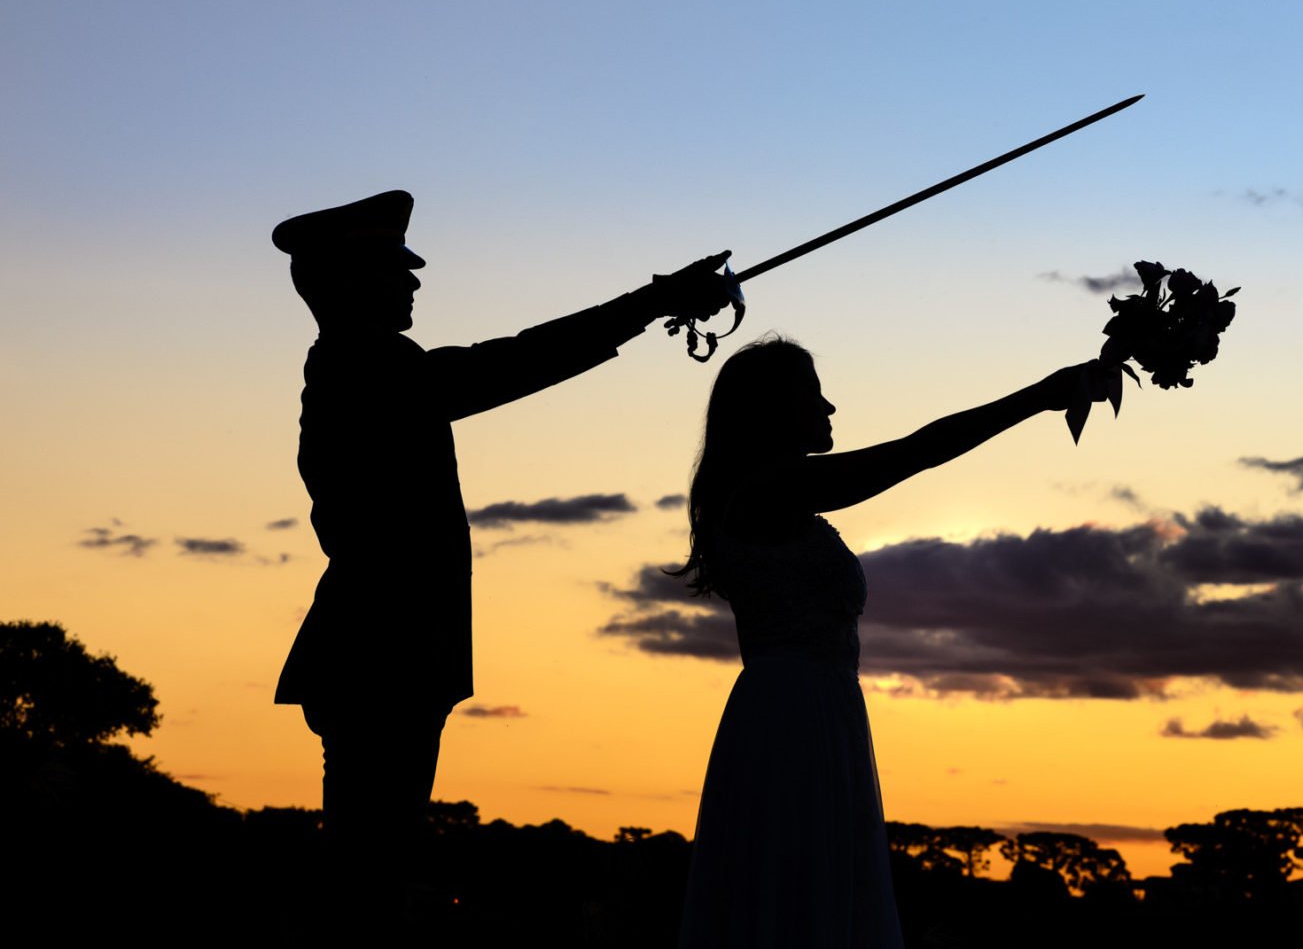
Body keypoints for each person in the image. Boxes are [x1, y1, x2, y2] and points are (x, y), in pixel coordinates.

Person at [271, 189, 732, 913]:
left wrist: (657, 303)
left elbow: (505, 365)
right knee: (367, 877)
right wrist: (653, 303)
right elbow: (512, 363)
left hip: (383, 654)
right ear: (351, 283)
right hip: (382, 654)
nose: (414, 282)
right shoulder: (367, 368)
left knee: (371, 866)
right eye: (395, 270)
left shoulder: (367, 368)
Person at [673, 336, 1111, 947]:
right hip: (793, 717)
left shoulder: (770, 498)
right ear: (774, 409)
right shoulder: (767, 494)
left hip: (813, 710)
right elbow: (920, 450)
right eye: (813, 394)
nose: (829, 408)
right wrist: (1039, 397)